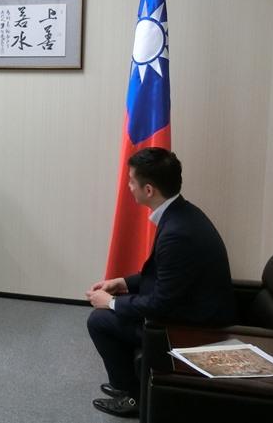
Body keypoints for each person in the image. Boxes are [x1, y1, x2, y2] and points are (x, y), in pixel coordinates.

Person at [86, 147, 236, 417]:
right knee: (112, 311)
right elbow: (163, 276)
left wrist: (111, 303)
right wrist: (122, 283)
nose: (128, 186)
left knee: (99, 320)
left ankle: (132, 396)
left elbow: (161, 304)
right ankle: (130, 384)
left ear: (149, 190)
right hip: (190, 306)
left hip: (193, 325)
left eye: (132, 181)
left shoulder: (177, 232)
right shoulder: (182, 213)